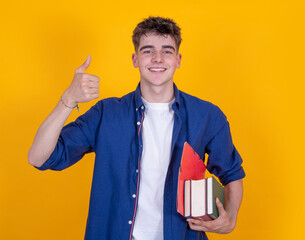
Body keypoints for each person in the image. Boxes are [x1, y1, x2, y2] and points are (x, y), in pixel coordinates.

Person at [28, 16, 245, 240]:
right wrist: (68, 100)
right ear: (135, 59)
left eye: (167, 51)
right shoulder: (106, 113)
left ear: (178, 60)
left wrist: (231, 217)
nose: (158, 58)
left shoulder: (207, 115)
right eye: (148, 51)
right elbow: (39, 157)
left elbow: (232, 174)